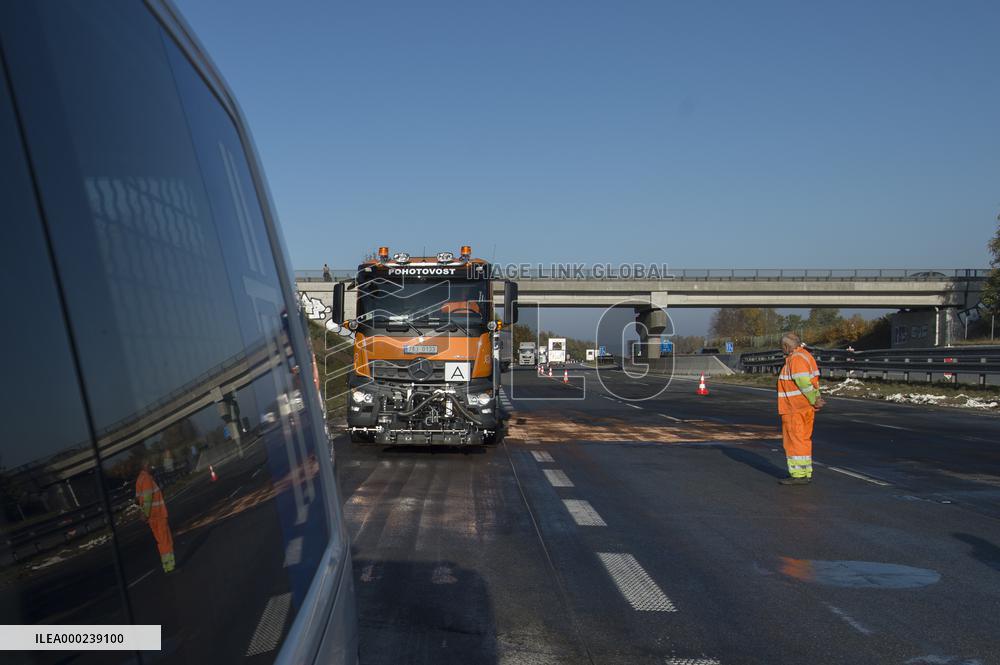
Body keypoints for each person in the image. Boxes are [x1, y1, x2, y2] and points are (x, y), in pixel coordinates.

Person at [776, 332, 825, 485]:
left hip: (794, 408)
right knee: (803, 440)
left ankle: (797, 475)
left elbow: (803, 383)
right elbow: (813, 381)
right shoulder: (806, 356)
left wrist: (814, 399)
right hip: (805, 408)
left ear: (786, 346)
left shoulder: (795, 360)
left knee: (793, 441)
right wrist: (816, 398)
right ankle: (805, 472)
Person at [136, 457, 176, 572]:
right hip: (157, 515)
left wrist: (143, 513)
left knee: (160, 541)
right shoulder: (147, 479)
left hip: (152, 518)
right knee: (166, 540)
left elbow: (139, 499)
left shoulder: (139, 479)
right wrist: (146, 513)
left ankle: (166, 565)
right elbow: (148, 498)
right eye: (149, 466)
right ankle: (170, 566)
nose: (151, 468)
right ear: (145, 466)